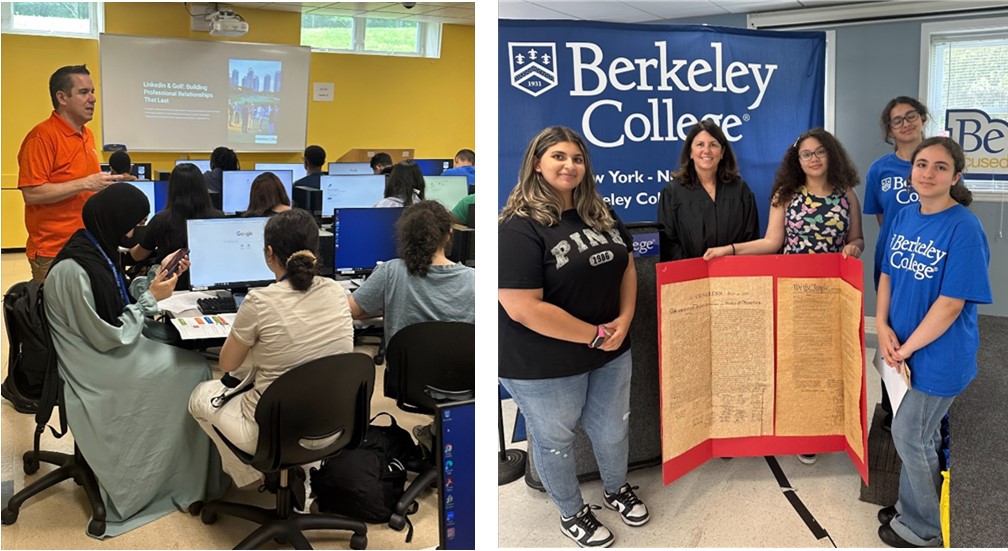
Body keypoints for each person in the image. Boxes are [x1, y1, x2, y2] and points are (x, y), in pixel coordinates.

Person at [44, 183, 228, 537]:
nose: (137, 232)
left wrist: (154, 279)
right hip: (96, 364)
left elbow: (116, 299)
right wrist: (150, 301)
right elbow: (108, 334)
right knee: (193, 370)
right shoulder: (73, 270)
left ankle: (183, 470)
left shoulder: (98, 248)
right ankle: (169, 480)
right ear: (116, 219)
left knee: (188, 362)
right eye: (135, 224)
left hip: (107, 349)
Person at [498, 126, 647, 548]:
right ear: (537, 163)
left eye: (577, 158)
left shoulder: (598, 211)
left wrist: (625, 318)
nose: (570, 165)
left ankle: (616, 489)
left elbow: (627, 266)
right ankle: (571, 512)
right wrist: (596, 335)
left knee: (613, 430)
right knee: (556, 441)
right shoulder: (516, 227)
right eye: (559, 156)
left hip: (609, 348)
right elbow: (523, 307)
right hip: (543, 360)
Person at [703, 127, 865, 465]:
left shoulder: (847, 194)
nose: (814, 159)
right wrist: (729, 250)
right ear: (798, 159)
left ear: (831, 155)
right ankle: (790, 426)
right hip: (792, 290)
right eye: (806, 154)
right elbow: (771, 243)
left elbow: (858, 239)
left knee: (822, 364)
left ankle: (815, 429)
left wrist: (853, 247)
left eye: (820, 151)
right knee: (791, 362)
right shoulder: (786, 194)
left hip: (830, 293)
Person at [188, 209, 354, 511]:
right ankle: (293, 477)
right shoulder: (336, 291)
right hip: (333, 425)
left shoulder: (259, 301)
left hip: (273, 434)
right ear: (315, 250)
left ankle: (259, 475)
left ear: (269, 253)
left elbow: (227, 365)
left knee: (200, 396)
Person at [875, 137, 991, 548]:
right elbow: (888, 272)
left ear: (956, 176)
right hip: (899, 347)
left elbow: (950, 304)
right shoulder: (905, 215)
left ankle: (923, 527)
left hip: (938, 356)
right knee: (921, 435)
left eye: (940, 167)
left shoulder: (964, 228)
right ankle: (913, 504)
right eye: (921, 164)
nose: (927, 172)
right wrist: (883, 325)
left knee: (910, 435)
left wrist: (903, 350)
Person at [18, 64, 124, 282]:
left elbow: (88, 188)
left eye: (93, 91)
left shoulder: (87, 134)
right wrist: (86, 183)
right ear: (62, 98)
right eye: (84, 92)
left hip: (87, 242)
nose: (93, 99)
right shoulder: (41, 137)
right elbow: (32, 193)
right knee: (55, 315)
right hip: (54, 250)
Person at [864, 96, 930, 431]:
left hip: (928, 261)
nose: (905, 124)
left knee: (925, 327)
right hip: (892, 261)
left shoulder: (936, 159)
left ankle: (925, 400)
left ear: (922, 118)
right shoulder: (880, 169)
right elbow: (882, 217)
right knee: (891, 328)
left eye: (910, 116)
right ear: (889, 130)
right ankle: (892, 402)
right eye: (896, 120)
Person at [348, 200, 475, 346]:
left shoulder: (391, 272)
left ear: (406, 235)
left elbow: (351, 310)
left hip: (405, 368)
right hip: (459, 368)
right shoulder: (474, 280)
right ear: (449, 234)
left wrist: (388, 306)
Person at [656, 120, 760, 261]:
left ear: (722, 152)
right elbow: (669, 244)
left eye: (713, 145)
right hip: (689, 277)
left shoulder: (740, 190)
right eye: (700, 144)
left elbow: (751, 239)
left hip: (734, 276)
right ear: (690, 152)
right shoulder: (673, 192)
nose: (706, 151)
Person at [130, 163, 225, 289]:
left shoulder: (161, 220)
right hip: (211, 287)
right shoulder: (219, 218)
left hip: (170, 289)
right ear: (203, 187)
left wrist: (130, 231)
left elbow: (138, 255)